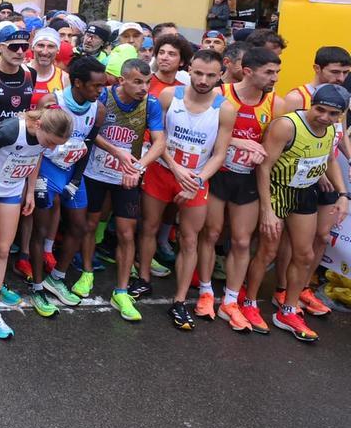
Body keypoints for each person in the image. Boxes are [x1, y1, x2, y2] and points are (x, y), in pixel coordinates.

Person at [235, 85, 349, 341]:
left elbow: (329, 160)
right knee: (268, 251)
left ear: (340, 115)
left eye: (333, 114)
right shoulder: (287, 126)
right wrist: (267, 209)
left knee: (305, 255)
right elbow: (264, 167)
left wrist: (343, 194)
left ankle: (287, 310)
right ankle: (249, 303)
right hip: (277, 191)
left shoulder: (332, 129)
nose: (324, 117)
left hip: (304, 192)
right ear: (311, 104)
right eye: (320, 110)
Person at [0, 108, 71, 340]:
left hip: (10, 191)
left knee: (2, 251)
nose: (52, 148)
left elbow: (37, 157)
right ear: (39, 126)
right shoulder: (11, 131)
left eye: (55, 145)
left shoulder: (44, 140)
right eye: (50, 142)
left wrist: (30, 191)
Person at [143, 51, 236, 327]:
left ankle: (180, 300)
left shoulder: (225, 109)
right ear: (190, 70)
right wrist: (175, 169)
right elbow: (158, 138)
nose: (203, 80)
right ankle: (143, 279)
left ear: (220, 75)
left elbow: (220, 154)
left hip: (196, 178)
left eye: (211, 75)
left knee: (189, 239)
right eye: (198, 73)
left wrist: (196, 181)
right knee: (149, 227)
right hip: (163, 170)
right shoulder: (169, 96)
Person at [202, 45, 283, 328]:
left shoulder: (276, 104)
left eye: (277, 72)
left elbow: (271, 148)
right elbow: (204, 132)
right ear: (248, 71)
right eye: (269, 72)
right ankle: (205, 291)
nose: (275, 78)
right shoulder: (220, 93)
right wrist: (238, 142)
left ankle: (230, 300)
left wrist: (260, 152)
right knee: (211, 233)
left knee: (241, 241)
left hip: (246, 178)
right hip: (217, 174)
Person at [78, 58, 166, 302]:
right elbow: (90, 132)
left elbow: (159, 142)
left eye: (147, 82)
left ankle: (122, 290)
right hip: (95, 172)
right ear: (121, 80)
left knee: (127, 233)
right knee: (90, 224)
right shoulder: (103, 96)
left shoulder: (151, 104)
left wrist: (138, 167)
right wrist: (116, 151)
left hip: (126, 176)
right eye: (137, 82)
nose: (144, 88)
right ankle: (86, 273)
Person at [27, 56, 107, 317]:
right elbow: (36, 142)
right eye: (95, 86)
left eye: (102, 85)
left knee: (79, 226)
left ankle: (57, 278)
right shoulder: (52, 102)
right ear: (78, 83)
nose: (100, 91)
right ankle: (37, 286)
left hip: (72, 171)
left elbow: (88, 145)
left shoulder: (98, 109)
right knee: (40, 230)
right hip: (47, 168)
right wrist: (33, 181)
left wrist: (75, 180)